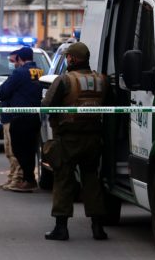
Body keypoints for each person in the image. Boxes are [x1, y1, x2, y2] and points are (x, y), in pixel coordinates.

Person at [41, 42, 109, 241]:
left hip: (68, 139)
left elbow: (47, 105)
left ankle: (61, 228)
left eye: (68, 56)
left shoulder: (64, 80)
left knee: (63, 181)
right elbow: (110, 105)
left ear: (71, 59)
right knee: (91, 180)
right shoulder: (101, 80)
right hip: (93, 138)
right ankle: (98, 228)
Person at [0, 47, 44, 193]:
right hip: (35, 116)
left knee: (18, 149)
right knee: (30, 150)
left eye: (14, 60)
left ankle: (28, 179)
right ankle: (27, 179)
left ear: (19, 59)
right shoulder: (39, 72)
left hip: (20, 117)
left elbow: (2, 92)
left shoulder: (20, 72)